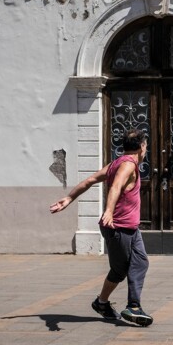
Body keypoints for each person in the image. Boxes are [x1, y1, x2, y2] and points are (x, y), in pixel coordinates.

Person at [50, 129, 154, 327]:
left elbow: (90, 181)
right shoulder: (128, 165)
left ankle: (125, 305)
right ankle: (105, 303)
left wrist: (69, 198)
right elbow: (115, 187)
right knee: (120, 270)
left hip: (130, 228)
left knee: (140, 263)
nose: (146, 149)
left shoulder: (117, 163)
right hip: (118, 227)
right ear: (141, 147)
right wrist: (108, 211)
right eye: (146, 146)